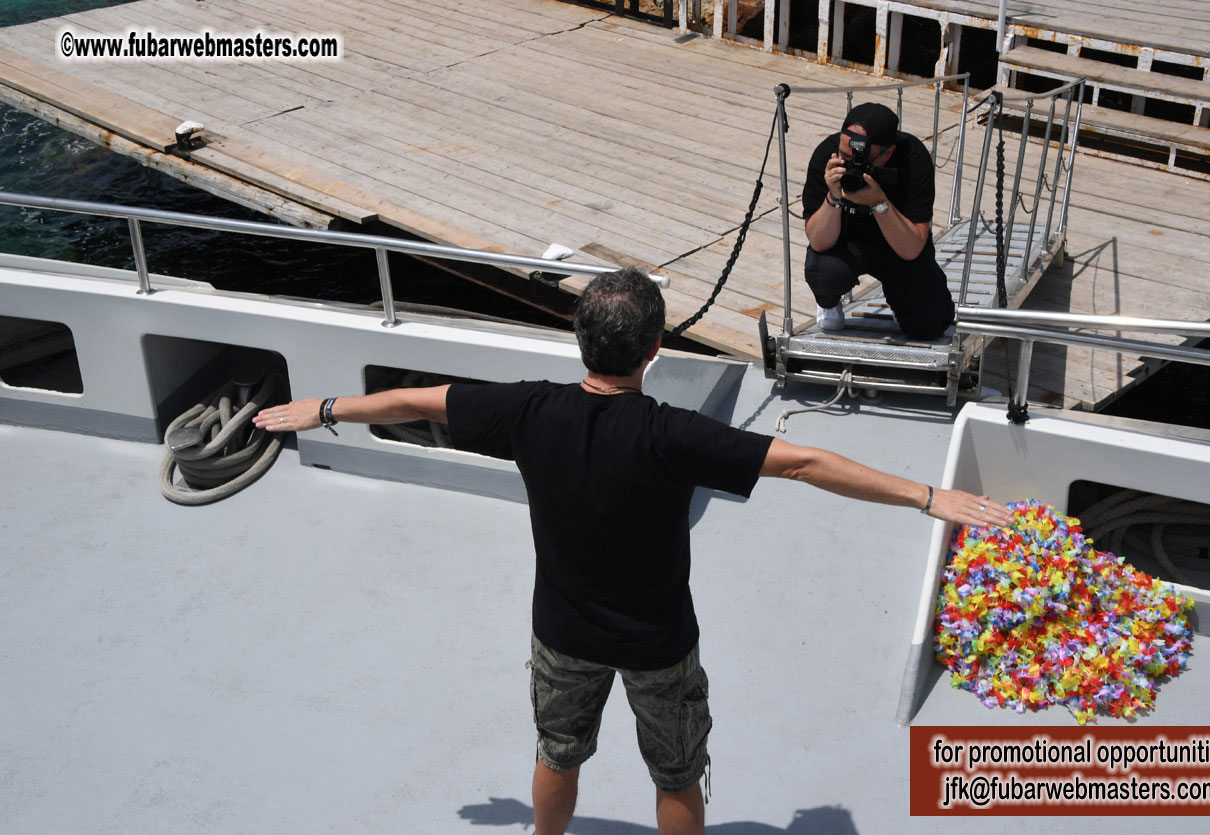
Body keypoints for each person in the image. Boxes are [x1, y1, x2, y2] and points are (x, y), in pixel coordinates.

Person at [253, 267, 1011, 835]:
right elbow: (804, 462)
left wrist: (324, 409)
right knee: (677, 775)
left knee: (557, 755)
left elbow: (422, 399)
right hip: (658, 644)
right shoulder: (671, 434)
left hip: (561, 635)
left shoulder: (526, 409)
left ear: (579, 340)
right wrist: (926, 495)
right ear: (654, 348)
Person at [802, 101, 956, 339]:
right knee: (824, 272)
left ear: (888, 154)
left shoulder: (913, 159)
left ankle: (902, 299)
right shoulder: (827, 155)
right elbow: (818, 241)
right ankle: (829, 303)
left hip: (899, 247)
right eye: (844, 155)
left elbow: (913, 247)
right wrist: (833, 196)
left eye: (857, 159)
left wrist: (878, 203)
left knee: (930, 325)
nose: (847, 164)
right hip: (846, 244)